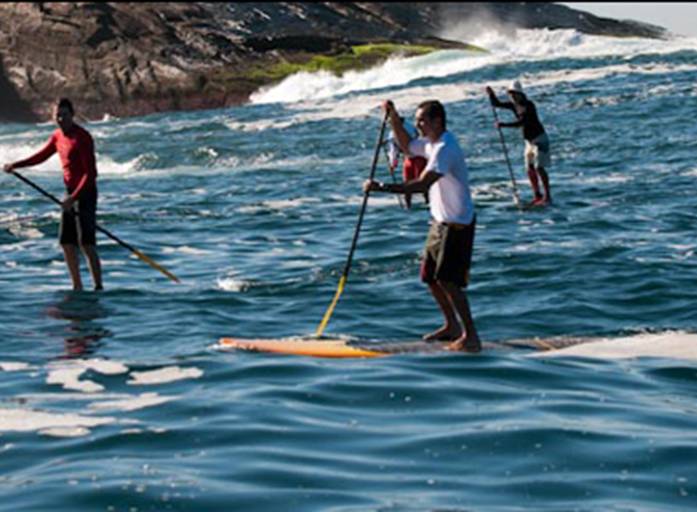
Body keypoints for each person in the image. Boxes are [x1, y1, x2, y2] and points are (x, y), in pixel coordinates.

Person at [364, 99, 480, 352]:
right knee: (429, 277)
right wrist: (393, 117)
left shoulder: (445, 148)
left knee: (449, 281)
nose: (417, 124)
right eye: (416, 120)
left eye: (421, 121)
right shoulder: (430, 144)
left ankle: (471, 336)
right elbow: (406, 146)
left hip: (456, 224)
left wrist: (382, 187)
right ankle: (452, 326)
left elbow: (422, 184)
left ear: (437, 121)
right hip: (439, 222)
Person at [3, 98, 103, 291]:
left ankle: (98, 287)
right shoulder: (57, 136)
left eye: (64, 114)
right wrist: (16, 165)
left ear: (72, 115)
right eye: (57, 115)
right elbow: (41, 156)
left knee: (86, 243)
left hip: (86, 193)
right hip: (69, 194)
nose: (60, 118)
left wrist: (73, 198)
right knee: (66, 242)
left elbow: (91, 174)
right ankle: (77, 286)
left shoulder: (82, 137)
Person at [486, 80, 552, 205]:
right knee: (529, 168)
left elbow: (522, 122)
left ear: (520, 94)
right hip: (529, 142)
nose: (512, 97)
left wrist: (503, 125)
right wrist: (491, 94)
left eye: (514, 94)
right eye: (510, 94)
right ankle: (537, 195)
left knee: (539, 167)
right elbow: (496, 104)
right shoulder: (513, 105)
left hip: (539, 139)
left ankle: (547, 196)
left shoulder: (529, 105)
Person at [385, 118, 428, 209]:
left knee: (422, 182)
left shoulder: (409, 127)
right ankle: (407, 205)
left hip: (419, 157)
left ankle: (428, 201)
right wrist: (393, 163)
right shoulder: (392, 134)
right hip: (408, 159)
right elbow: (393, 149)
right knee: (407, 183)